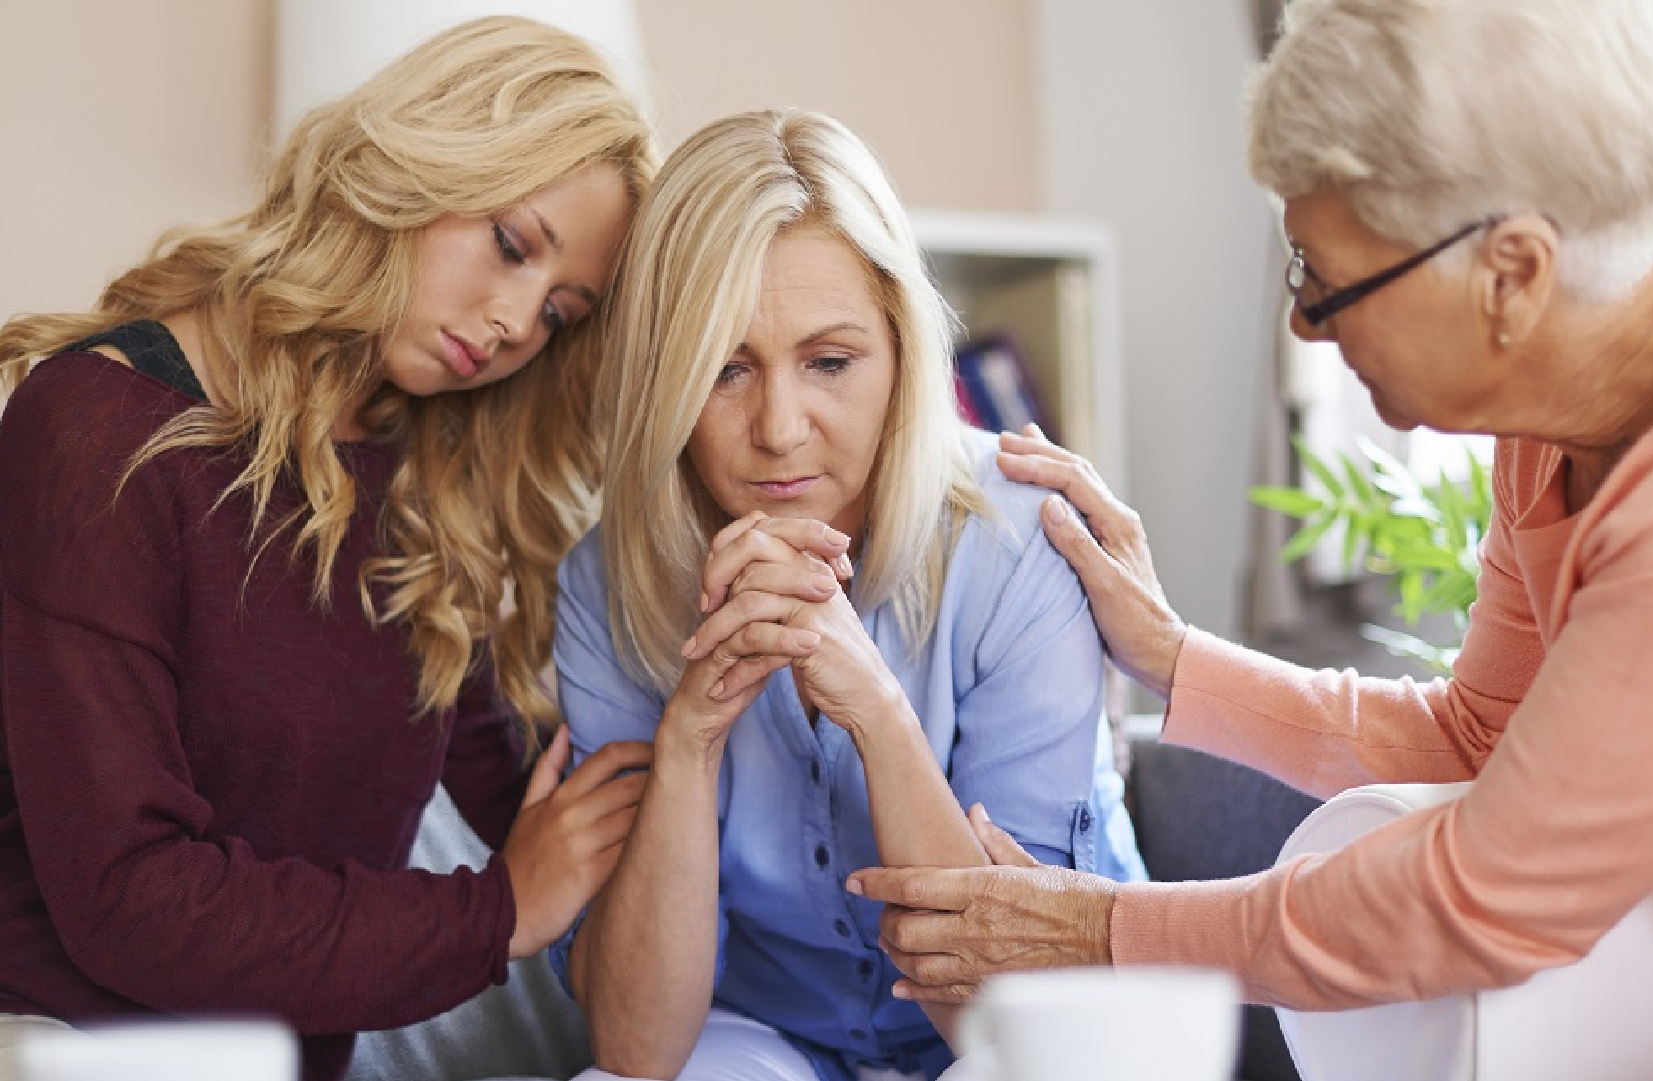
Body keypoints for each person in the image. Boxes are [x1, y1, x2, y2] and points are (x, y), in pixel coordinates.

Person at [849, 0, 1653, 1030]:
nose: (1303, 326)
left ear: (1511, 274)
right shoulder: (1585, 364)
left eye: (1325, 278)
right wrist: (1173, 659)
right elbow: (1477, 739)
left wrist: (1095, 928)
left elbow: (1477, 900)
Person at [0, 18, 659, 1081]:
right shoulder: (95, 426)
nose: (512, 324)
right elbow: (128, 901)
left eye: (560, 312)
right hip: (67, 1051)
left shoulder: (419, 482)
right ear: (417, 161)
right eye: (510, 244)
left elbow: (540, 792)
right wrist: (496, 913)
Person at [549, 108, 1144, 1081]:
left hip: (1036, 1030)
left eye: (830, 361)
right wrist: (689, 743)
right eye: (725, 369)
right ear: (665, 376)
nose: (780, 429)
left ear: (903, 351)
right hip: (767, 1037)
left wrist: (874, 708)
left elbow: (1019, 1028)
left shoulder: (1023, 539)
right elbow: (636, 1048)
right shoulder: (604, 580)